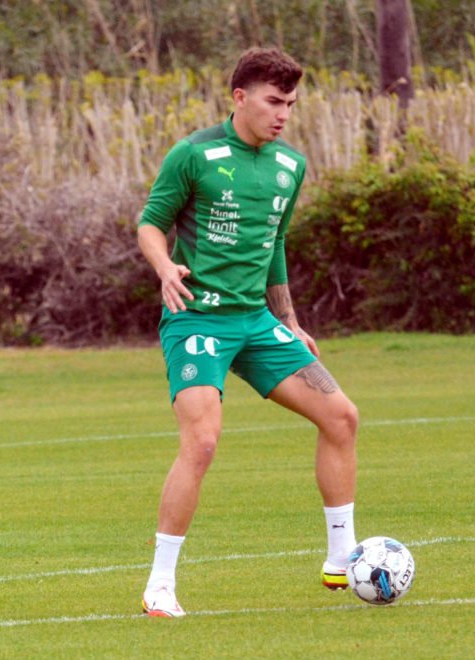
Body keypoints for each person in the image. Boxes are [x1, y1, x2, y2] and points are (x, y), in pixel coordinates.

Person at [136, 47, 359, 618]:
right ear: (240, 98)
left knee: (341, 416)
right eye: (273, 101)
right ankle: (160, 585)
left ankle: (343, 559)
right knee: (203, 441)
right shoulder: (193, 155)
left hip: (258, 324)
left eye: (290, 103)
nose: (283, 113)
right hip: (197, 319)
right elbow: (150, 226)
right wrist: (165, 269)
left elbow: (273, 245)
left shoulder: (291, 166)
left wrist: (289, 321)